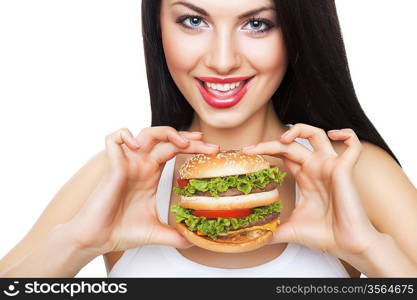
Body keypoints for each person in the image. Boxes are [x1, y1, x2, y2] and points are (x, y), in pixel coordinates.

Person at [1, 0, 416, 278]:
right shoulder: (119, 178)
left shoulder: (350, 172)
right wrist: (78, 244)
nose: (221, 60)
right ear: (157, 26)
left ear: (296, 31)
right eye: (193, 20)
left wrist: (368, 251)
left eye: (257, 24)